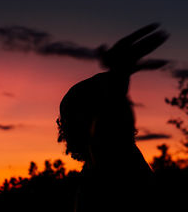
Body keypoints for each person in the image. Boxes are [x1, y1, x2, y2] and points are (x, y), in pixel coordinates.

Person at [56, 23, 169, 212]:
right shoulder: (111, 168)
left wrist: (119, 75)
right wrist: (119, 74)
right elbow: (106, 135)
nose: (124, 107)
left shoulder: (100, 172)